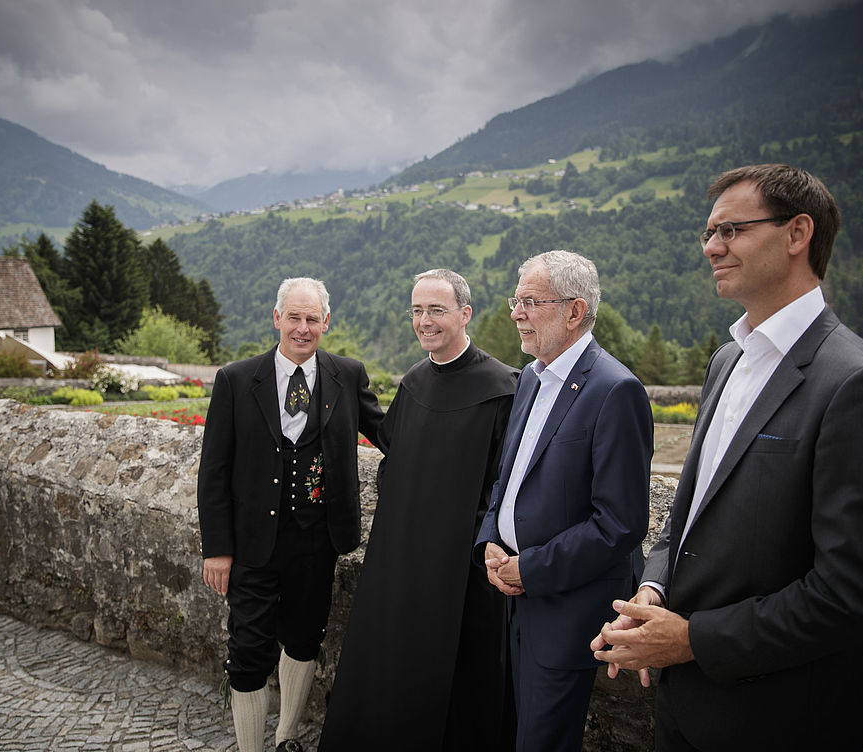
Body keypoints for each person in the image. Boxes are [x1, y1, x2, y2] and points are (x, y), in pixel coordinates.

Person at [593, 164, 863, 751]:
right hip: (685, 707)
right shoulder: (727, 361)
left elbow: (855, 595)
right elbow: (690, 511)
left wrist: (694, 639)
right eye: (708, 234)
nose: (712, 248)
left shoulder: (859, 384)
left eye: (732, 230)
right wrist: (654, 591)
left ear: (797, 234)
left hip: (783, 717)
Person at [319, 269, 519, 751]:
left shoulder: (505, 388)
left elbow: (505, 487)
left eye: (436, 310)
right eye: (416, 310)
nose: (424, 321)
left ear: (464, 314)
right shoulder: (413, 382)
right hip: (403, 563)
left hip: (463, 573)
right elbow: (397, 463)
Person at [475, 250, 653, 752]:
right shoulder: (530, 377)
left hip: (564, 608)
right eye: (517, 300)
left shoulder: (616, 390)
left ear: (575, 312)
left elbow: (620, 524)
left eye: (531, 301)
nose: (515, 313)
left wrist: (529, 568)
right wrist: (490, 537)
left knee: (544, 742)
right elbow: (506, 480)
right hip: (511, 597)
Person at [197, 277, 385, 752]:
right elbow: (214, 470)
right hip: (251, 546)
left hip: (317, 542)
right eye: (294, 317)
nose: (303, 328)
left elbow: (389, 435)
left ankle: (286, 738)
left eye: (312, 319)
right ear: (277, 318)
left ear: (326, 322)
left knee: (304, 641)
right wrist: (217, 550)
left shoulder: (348, 374)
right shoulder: (237, 380)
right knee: (247, 653)